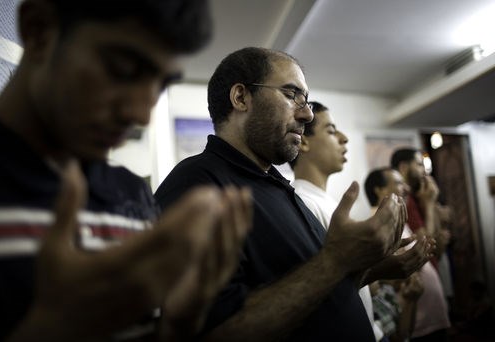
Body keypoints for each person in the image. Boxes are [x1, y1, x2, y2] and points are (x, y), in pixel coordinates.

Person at [0, 0, 253, 341]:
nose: (142, 114)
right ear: (39, 31)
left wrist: (181, 320)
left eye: (161, 84)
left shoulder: (134, 194)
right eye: (122, 68)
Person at [154, 46, 407, 341]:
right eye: (291, 95)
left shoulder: (275, 184)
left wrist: (367, 265)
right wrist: (336, 259)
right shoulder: (197, 186)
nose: (307, 114)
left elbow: (311, 287)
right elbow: (216, 330)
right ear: (241, 97)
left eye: (307, 100)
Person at [289, 102, 431, 341]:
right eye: (332, 131)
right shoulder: (304, 202)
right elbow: (319, 290)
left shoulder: (324, 200)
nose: (344, 138)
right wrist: (378, 269)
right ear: (303, 141)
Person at [390, 149, 451, 341]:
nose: (424, 170)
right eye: (418, 164)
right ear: (404, 167)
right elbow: (427, 245)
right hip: (418, 309)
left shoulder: (418, 197)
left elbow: (437, 249)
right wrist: (430, 203)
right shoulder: (403, 203)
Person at [364, 167, 427, 342]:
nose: (405, 188)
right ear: (379, 190)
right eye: (398, 183)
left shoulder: (396, 217)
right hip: (397, 313)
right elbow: (390, 275)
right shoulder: (377, 224)